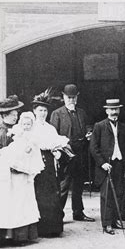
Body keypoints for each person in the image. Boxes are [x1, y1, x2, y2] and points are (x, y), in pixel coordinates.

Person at [0, 95, 40, 249]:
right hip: (0, 170)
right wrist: (4, 152)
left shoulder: (20, 129)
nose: (16, 117)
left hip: (17, 170)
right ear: (5, 115)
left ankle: (17, 236)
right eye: (13, 114)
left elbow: (30, 145)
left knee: (17, 202)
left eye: (16, 114)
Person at [50, 84, 94, 222]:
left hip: (80, 152)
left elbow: (88, 126)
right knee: (64, 184)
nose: (71, 100)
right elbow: (53, 134)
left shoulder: (81, 112)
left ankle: (78, 212)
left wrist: (89, 133)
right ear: (63, 97)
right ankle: (57, 215)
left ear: (77, 97)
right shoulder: (57, 113)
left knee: (79, 184)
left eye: (74, 97)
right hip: (66, 153)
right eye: (69, 97)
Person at [31, 89, 71, 237]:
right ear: (34, 111)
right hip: (34, 161)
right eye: (40, 110)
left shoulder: (50, 128)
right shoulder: (31, 126)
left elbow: (56, 144)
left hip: (48, 162)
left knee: (50, 192)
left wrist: (58, 152)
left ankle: (51, 228)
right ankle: (37, 228)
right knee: (37, 192)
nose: (42, 113)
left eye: (45, 111)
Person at [90, 99, 125, 235]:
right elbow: (93, 148)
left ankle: (115, 220)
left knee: (118, 193)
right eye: (111, 110)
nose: (114, 112)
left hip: (119, 163)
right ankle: (107, 224)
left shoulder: (123, 127)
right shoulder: (99, 126)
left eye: (116, 109)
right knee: (106, 195)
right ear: (106, 111)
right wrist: (102, 163)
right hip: (106, 165)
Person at [5, 112, 45, 177]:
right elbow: (14, 131)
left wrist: (30, 146)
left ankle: (26, 170)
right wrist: (10, 133)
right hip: (19, 146)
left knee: (27, 158)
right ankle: (15, 166)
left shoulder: (32, 133)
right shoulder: (20, 130)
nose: (26, 126)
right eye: (24, 124)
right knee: (14, 151)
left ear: (32, 124)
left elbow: (33, 141)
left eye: (28, 124)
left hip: (28, 147)